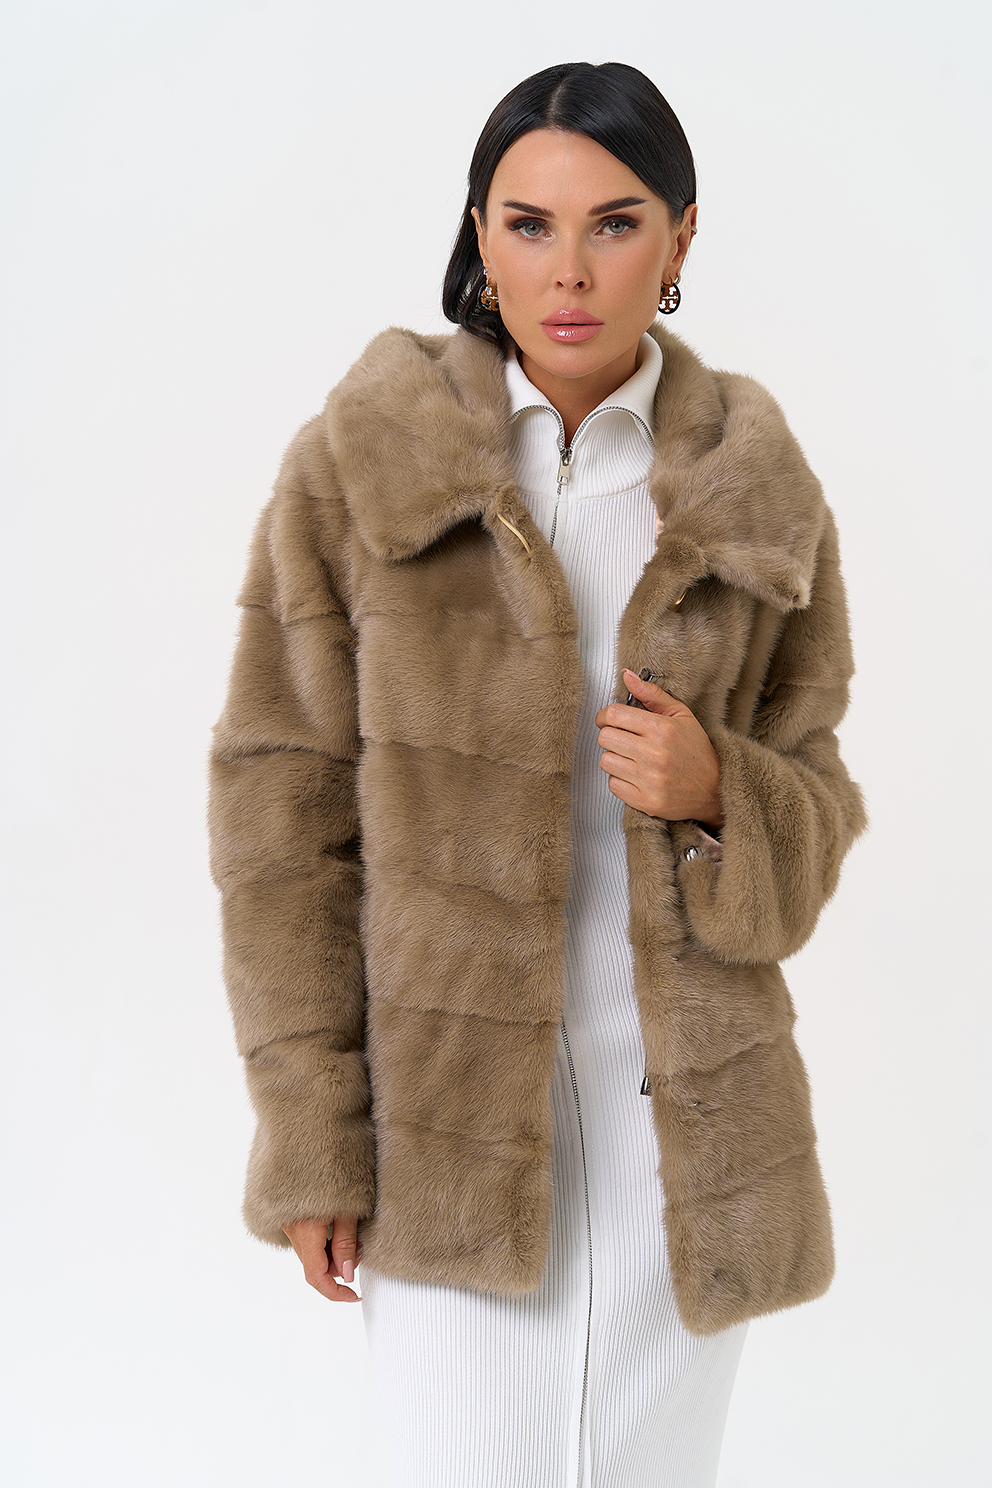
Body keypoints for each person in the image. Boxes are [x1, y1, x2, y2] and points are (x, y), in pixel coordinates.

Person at [209, 60, 866, 1488]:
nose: (569, 272)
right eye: (529, 225)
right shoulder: (362, 472)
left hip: (681, 1146)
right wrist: (314, 1134)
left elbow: (817, 798)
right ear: (480, 235)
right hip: (444, 1137)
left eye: (615, 224)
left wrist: (722, 791)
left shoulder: (753, 493)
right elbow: (281, 826)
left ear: (681, 236)